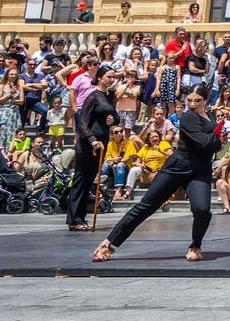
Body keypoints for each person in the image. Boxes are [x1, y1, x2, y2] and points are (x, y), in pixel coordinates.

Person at [92, 85, 222, 263]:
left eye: (197, 100)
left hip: (200, 171)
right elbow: (206, 143)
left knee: (202, 209)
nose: (192, 104)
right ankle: (109, 243)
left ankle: (195, 245)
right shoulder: (188, 118)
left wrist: (214, 141)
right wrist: (214, 139)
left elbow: (216, 145)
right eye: (189, 100)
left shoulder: (211, 117)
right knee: (146, 206)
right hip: (177, 167)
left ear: (205, 101)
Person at [67, 67, 118, 231]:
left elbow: (115, 117)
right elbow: (82, 122)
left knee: (89, 181)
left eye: (113, 77)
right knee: (81, 180)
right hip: (88, 145)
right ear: (100, 78)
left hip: (102, 143)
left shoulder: (107, 97)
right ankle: (74, 219)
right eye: (109, 77)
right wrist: (92, 140)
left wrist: (112, 120)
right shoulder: (93, 96)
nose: (111, 79)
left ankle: (81, 217)